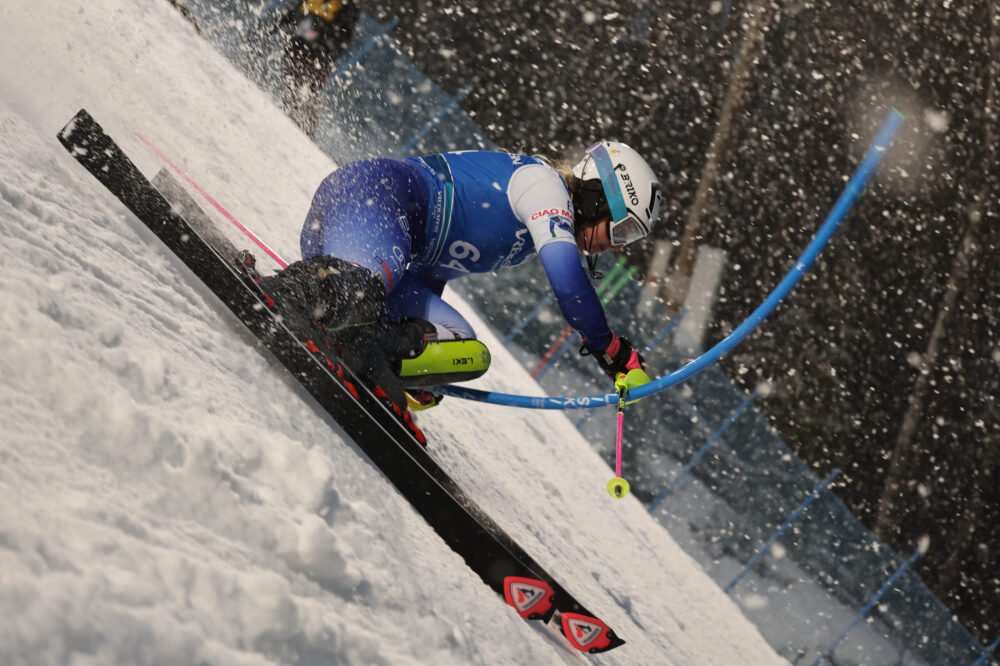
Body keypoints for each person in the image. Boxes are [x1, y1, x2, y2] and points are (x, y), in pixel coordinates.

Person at [259, 141, 662, 415]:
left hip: (373, 246)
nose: (615, 246)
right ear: (596, 198)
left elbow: (430, 274)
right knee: (369, 284)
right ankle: (291, 294)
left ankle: (360, 352)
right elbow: (569, 285)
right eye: (620, 230)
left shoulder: (526, 237)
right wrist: (614, 352)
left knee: (463, 352)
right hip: (365, 198)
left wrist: (417, 368)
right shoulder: (544, 187)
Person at [279, 0, 360, 138]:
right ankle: (288, 117)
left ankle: (305, 131)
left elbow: (344, 34)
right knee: (292, 83)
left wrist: (329, 55)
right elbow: (298, 9)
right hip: (299, 44)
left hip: (319, 53)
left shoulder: (348, 6)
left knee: (310, 90)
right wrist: (280, 22)